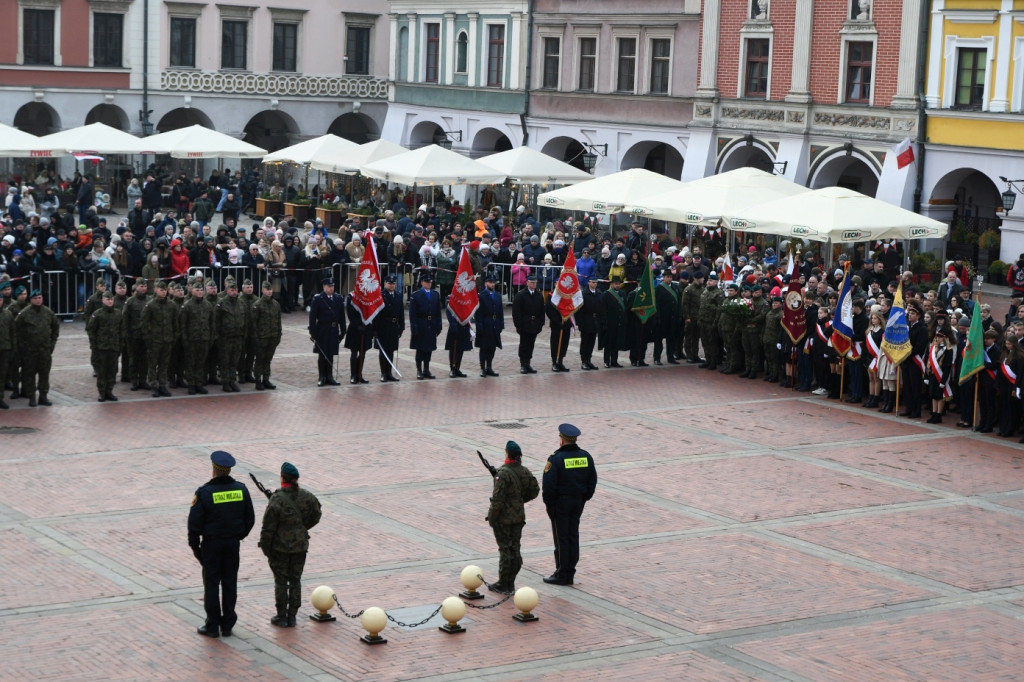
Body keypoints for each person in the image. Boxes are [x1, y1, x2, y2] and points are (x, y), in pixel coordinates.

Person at [187, 450, 255, 638]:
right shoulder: (241, 490)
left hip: (211, 545)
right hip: (232, 544)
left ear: (214, 469)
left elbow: (194, 525)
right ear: (228, 470)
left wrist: (196, 549)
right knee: (229, 582)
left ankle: (212, 625)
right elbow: (250, 518)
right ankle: (227, 625)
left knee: (211, 584)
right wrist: (238, 536)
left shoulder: (204, 492)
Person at [259, 461, 322, 628]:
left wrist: (266, 549)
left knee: (281, 581)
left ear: (282, 478)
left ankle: (281, 616)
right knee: (295, 580)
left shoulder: (277, 500)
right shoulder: (307, 496)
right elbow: (317, 514)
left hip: (280, 549)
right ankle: (292, 616)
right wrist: (302, 528)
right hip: (300, 547)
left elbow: (268, 529)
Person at [542, 423, 597, 586]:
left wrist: (550, 507)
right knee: (573, 535)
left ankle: (562, 573)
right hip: (578, 502)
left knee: (561, 538)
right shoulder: (586, 456)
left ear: (562, 440)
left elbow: (548, 486)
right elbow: (592, 480)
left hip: (561, 504)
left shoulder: (555, 458)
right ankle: (570, 571)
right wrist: (584, 498)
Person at [486, 440, 540, 594]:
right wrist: (519, 501)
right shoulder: (524, 471)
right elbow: (535, 490)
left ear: (508, 453)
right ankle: (511, 582)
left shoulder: (502, 474)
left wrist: (491, 518)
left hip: (503, 519)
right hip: (518, 518)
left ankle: (503, 583)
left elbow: (497, 500)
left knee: (505, 549)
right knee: (515, 548)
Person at [15, 289, 60, 407]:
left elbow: (55, 328)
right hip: (30, 351)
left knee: (44, 374)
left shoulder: (48, 312)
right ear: (31, 300)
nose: (38, 300)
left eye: (39, 298)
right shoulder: (24, 313)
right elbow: (16, 330)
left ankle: (43, 396)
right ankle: (31, 397)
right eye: (35, 298)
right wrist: (22, 346)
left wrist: (52, 343)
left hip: (45, 350)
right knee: (29, 375)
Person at [140, 280, 178, 397]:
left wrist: (174, 336)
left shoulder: (172, 305)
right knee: (152, 364)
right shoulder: (150, 305)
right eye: (161, 290)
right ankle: (154, 385)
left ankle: (162, 385)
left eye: (165, 290)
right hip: (154, 340)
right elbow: (144, 323)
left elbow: (175, 322)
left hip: (167, 339)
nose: (163, 292)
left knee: (164, 364)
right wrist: (148, 338)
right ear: (156, 291)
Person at [308, 276, 346, 386]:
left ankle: (330, 376)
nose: (331, 288)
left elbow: (342, 316)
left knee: (330, 353)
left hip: (333, 329)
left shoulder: (338, 298)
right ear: (324, 287)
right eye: (329, 286)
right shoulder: (318, 298)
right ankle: (322, 377)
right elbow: (312, 317)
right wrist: (313, 332)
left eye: (332, 286)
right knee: (322, 353)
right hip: (322, 329)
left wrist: (343, 331)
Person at [180, 280, 216, 395]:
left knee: (201, 363)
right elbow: (183, 325)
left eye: (201, 290)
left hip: (204, 338)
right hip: (191, 339)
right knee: (191, 363)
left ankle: (199, 383)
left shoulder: (208, 305)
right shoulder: (187, 305)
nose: (200, 292)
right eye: (197, 290)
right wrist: (185, 339)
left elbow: (211, 323)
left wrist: (211, 337)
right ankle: (191, 384)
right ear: (192, 291)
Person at [409, 273, 442, 380]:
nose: (429, 284)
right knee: (420, 348)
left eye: (430, 282)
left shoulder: (435, 294)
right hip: (421, 323)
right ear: (422, 283)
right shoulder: (416, 295)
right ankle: (419, 370)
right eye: (427, 282)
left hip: (431, 323)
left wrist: (439, 325)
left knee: (429, 348)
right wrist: (414, 326)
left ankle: (426, 369)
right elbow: (412, 313)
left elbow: (438, 311)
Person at [512, 274, 545, 374]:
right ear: (527, 283)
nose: (534, 284)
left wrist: (540, 324)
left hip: (534, 324)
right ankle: (523, 364)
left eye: (535, 282)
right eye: (532, 282)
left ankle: (528, 363)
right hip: (525, 324)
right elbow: (516, 312)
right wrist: (519, 326)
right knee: (524, 345)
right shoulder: (521, 295)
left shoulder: (538, 295)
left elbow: (541, 312)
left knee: (531, 345)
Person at [253, 280, 282, 390]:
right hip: (262, 337)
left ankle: (266, 379)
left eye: (270, 290)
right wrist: (256, 338)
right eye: (267, 290)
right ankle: (257, 380)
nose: (269, 292)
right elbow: (254, 323)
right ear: (262, 290)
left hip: (272, 336)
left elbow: (278, 321)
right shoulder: (257, 305)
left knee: (268, 359)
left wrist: (279, 335)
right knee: (260, 359)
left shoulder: (276, 304)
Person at [375, 274, 404, 382]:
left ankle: (389, 372)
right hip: (383, 326)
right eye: (389, 283)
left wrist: (401, 327)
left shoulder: (398, 295)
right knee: (383, 351)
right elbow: (377, 313)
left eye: (393, 283)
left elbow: (400, 312)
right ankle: (383, 373)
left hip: (394, 326)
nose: (392, 285)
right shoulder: (381, 295)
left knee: (391, 350)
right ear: (385, 284)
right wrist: (375, 329)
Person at [475, 273, 503, 377]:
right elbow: (479, 313)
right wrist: (479, 325)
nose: (492, 284)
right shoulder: (481, 296)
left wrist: (501, 324)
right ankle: (482, 368)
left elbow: (500, 312)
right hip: (485, 323)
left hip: (495, 323)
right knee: (484, 347)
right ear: (485, 283)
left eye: (493, 282)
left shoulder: (498, 295)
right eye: (490, 282)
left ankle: (489, 367)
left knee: (492, 347)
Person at [344, 291, 374, 384]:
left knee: (363, 353)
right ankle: (353, 375)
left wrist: (368, 326)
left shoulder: (369, 297)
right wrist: (357, 326)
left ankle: (359, 374)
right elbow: (350, 313)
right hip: (354, 329)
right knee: (354, 352)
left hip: (366, 327)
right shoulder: (351, 296)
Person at [577, 276, 605, 370]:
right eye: (592, 282)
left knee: (591, 342)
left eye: (595, 283)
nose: (594, 284)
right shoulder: (583, 294)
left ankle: (589, 360)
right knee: (585, 342)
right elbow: (579, 311)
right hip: (586, 320)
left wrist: (601, 321)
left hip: (595, 321)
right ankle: (584, 361)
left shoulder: (599, 293)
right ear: (588, 283)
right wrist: (580, 323)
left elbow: (601, 309)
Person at [601, 276, 628, 367]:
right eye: (616, 283)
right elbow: (603, 310)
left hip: (619, 323)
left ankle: (614, 361)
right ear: (611, 284)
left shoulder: (622, 294)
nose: (617, 285)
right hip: (610, 323)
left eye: (619, 284)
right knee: (609, 343)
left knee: (616, 343)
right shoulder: (606, 294)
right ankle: (606, 361)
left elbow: (625, 308)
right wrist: (604, 322)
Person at [0, 291, 15, 409]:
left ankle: (0, 398)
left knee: (2, 374)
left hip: (5, 348)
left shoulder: (8, 314)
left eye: (0, 300)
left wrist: (12, 347)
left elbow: (12, 332)